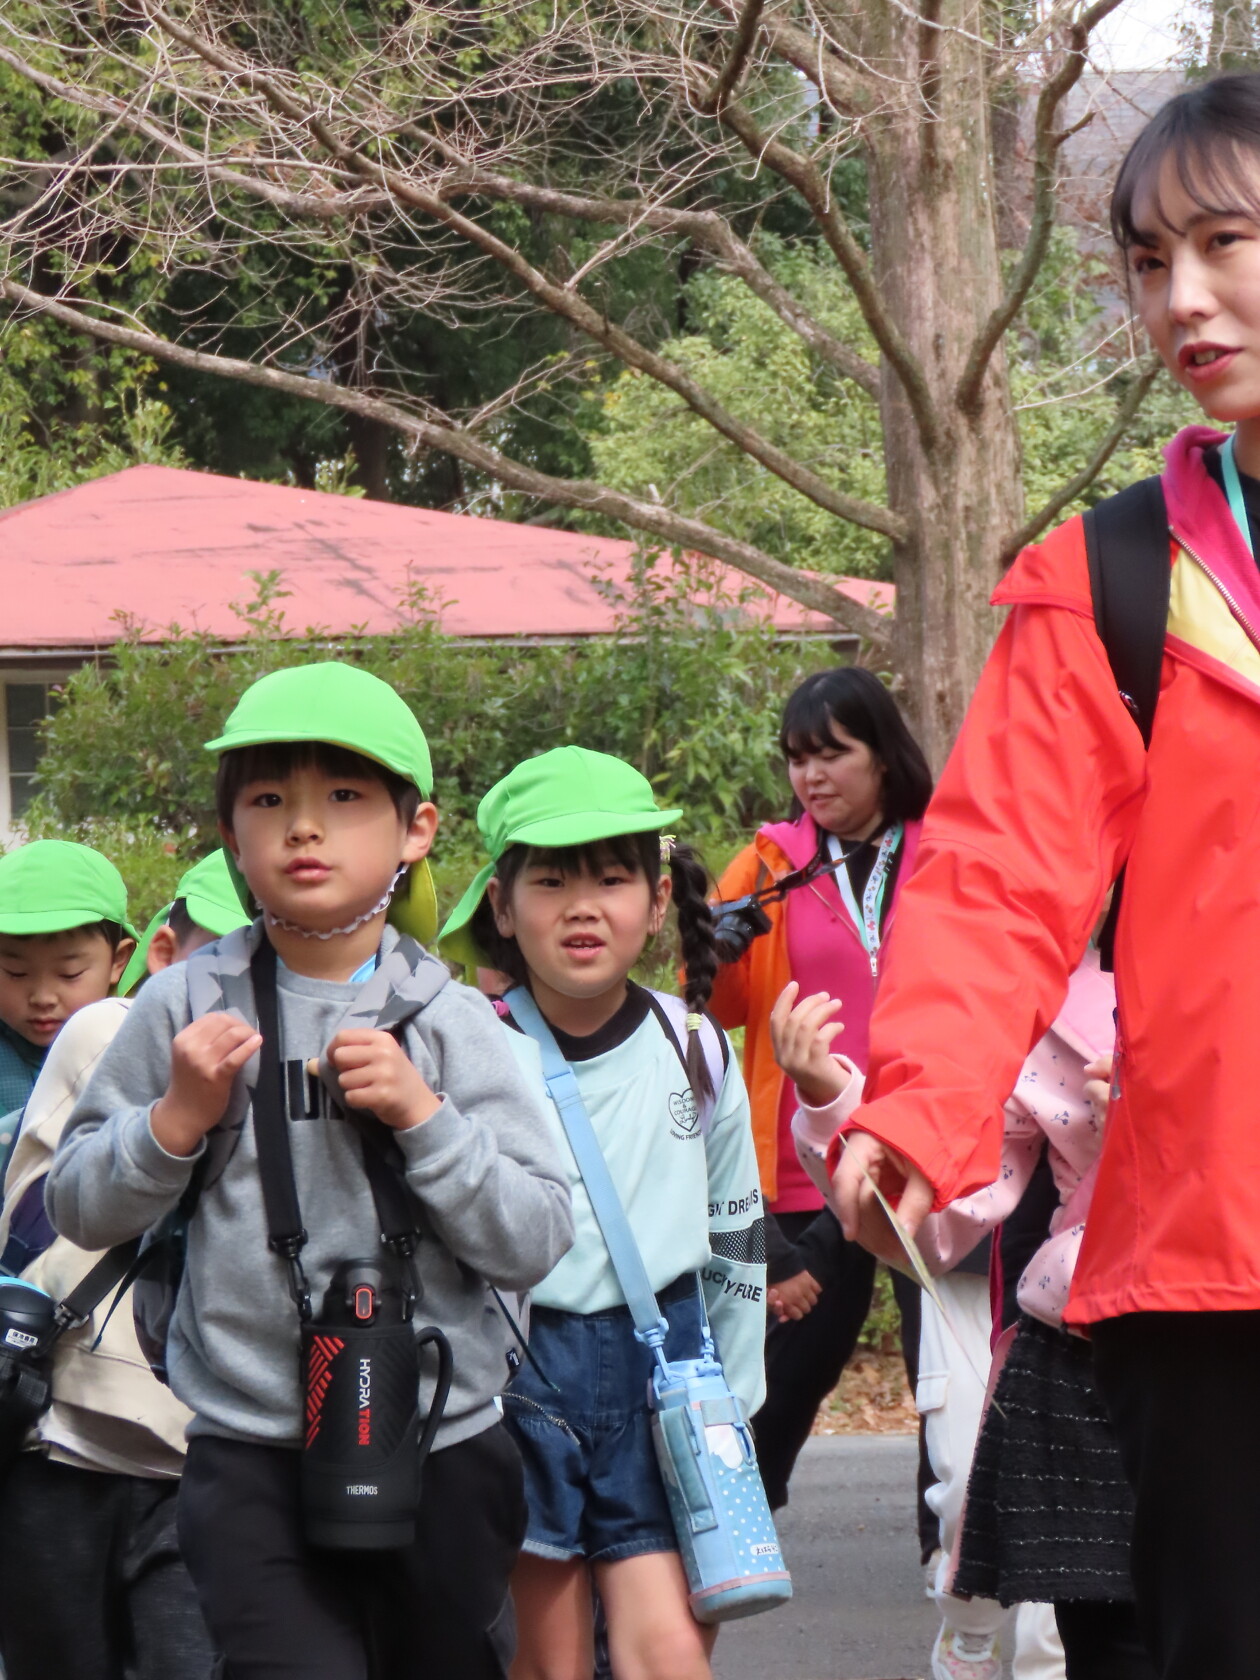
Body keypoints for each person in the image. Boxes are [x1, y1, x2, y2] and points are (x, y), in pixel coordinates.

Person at [826, 70, 1260, 1680]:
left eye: (1224, 244)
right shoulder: (1114, 581)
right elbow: (995, 883)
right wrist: (914, 1118)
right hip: (1206, 1277)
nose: (1181, 300)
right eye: (1150, 262)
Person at [46, 661, 575, 1680]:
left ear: (416, 830)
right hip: (249, 1451)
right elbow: (78, 1203)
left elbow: (536, 1236)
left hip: (441, 1441)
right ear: (230, 834)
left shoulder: (454, 1020)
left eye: (342, 797)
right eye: (267, 801)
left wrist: (426, 1119)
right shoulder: (183, 1006)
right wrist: (174, 1121)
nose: (302, 827)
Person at [439, 746, 766, 1680]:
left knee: (669, 1656)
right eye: (550, 881)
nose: (583, 907)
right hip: (518, 1372)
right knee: (548, 1662)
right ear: (503, 907)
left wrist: (736, 1402)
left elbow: (737, 1229)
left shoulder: (694, 1045)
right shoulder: (471, 1050)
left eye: (612, 879)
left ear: (658, 902)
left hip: (669, 1374)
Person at [0, 849, 250, 1680]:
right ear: (164, 955)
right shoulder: (106, 1032)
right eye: (223, 958)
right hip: (69, 1434)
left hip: (203, 1455)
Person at [707, 665, 931, 1512]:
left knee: (948, 1378)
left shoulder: (947, 847)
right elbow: (714, 1010)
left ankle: (950, 1562)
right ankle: (728, 1543)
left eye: (832, 754)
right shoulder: (769, 862)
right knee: (781, 1379)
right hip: (809, 1161)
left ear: (883, 754)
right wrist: (713, 950)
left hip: (928, 1150)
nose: (811, 777)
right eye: (798, 759)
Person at [0, 840, 138, 1167]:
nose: (42, 998)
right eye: (16, 973)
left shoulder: (136, 1049)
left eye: (69, 973)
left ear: (118, 961)